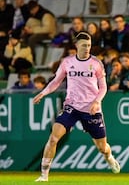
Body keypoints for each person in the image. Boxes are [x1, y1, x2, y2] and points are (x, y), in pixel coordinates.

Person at [32, 32, 120, 182]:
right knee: (53, 138)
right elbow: (56, 81)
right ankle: (44, 175)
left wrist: (97, 101)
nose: (87, 48)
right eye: (84, 45)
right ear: (76, 45)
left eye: (89, 45)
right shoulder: (67, 62)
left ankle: (109, 157)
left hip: (91, 109)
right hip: (71, 107)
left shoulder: (97, 63)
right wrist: (44, 92)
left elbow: (103, 87)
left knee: (102, 148)